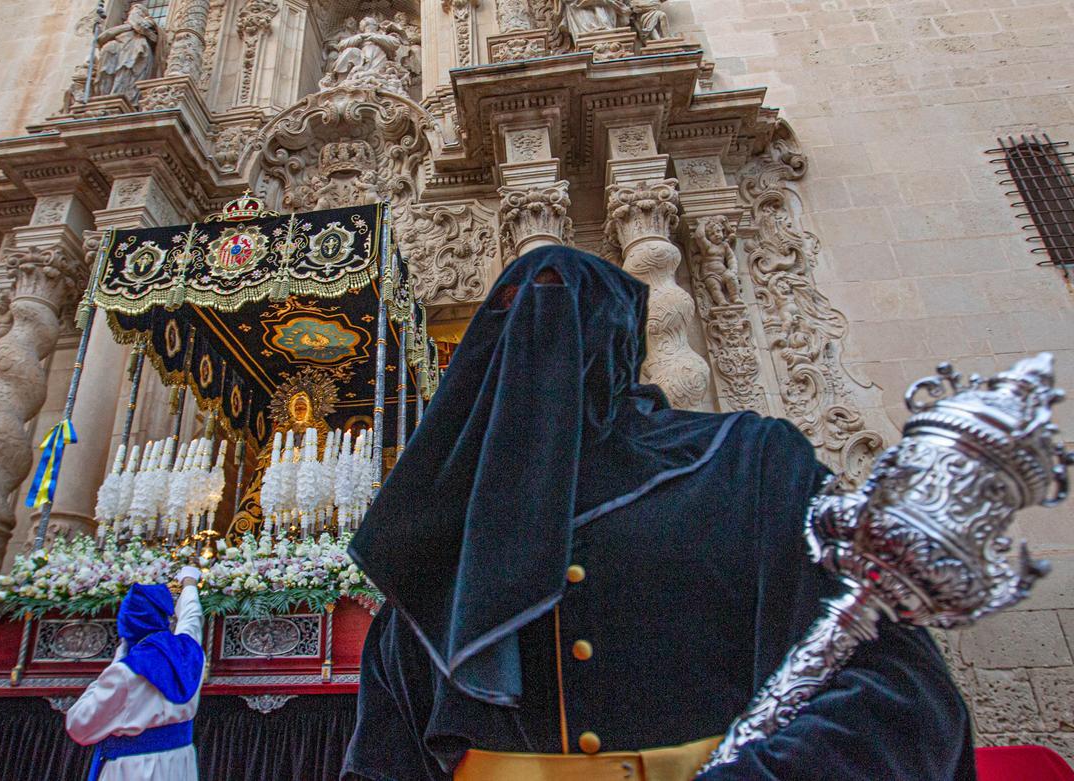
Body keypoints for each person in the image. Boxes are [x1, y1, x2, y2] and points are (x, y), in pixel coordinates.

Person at [341, 247, 976, 780]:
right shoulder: (440, 531)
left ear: (616, 338)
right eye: (511, 316)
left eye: (559, 309)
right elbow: (387, 754)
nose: (536, 336)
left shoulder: (750, 467)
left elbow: (892, 685)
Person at [66, 566, 205, 780]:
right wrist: (189, 583)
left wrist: (115, 663)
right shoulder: (191, 651)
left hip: (135, 768)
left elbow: (79, 726)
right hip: (179, 762)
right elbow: (191, 618)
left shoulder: (125, 672)